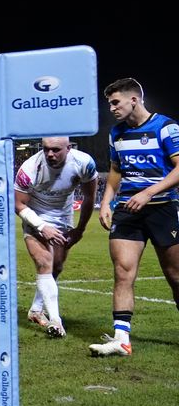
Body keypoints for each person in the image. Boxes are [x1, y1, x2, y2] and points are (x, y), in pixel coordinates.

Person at [90, 78, 179, 356]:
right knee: (123, 272)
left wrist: (149, 193)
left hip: (163, 208)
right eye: (109, 104)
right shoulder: (116, 133)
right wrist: (105, 202)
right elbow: (115, 171)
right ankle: (121, 339)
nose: (112, 108)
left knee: (175, 276)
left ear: (134, 100)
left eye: (115, 102)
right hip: (128, 210)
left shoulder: (166, 127)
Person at [14, 137, 98, 337]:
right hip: (35, 215)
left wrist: (80, 229)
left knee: (57, 266)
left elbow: (89, 198)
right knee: (44, 261)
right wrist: (41, 226)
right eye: (46, 149)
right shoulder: (29, 168)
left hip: (62, 216)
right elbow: (19, 205)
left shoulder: (84, 163)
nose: (50, 154)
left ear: (69, 148)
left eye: (55, 150)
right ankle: (56, 321)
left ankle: (35, 309)